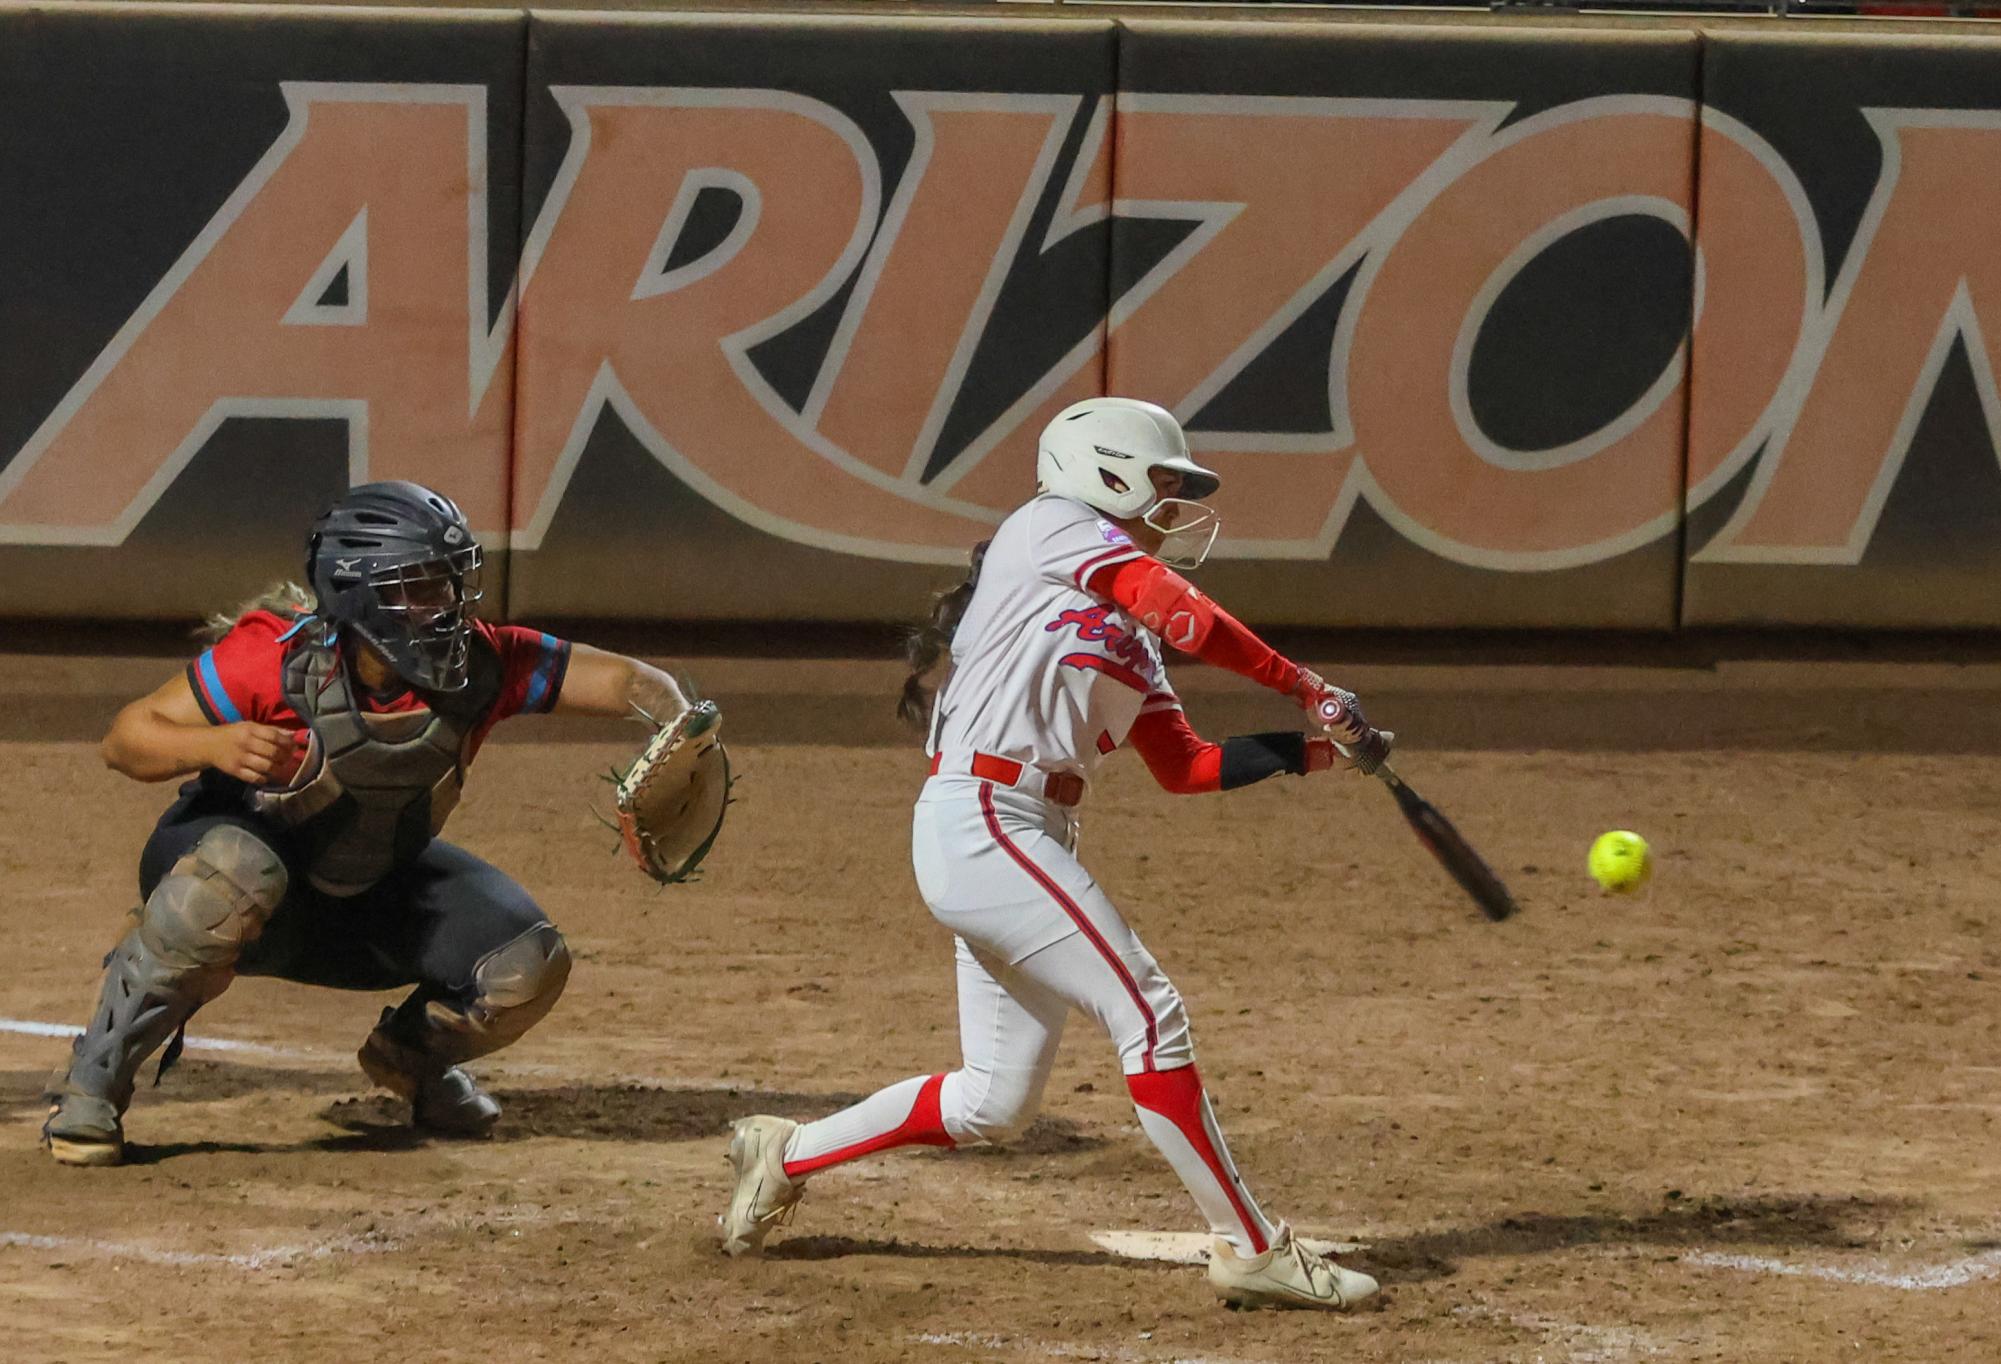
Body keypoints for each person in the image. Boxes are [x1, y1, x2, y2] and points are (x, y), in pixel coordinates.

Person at [718, 397, 1392, 1311]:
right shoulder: (1049, 527)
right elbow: (1182, 612)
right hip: (985, 818)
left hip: (1024, 833)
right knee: (1149, 1014)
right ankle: (1250, 1247)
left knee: (993, 1102)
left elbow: (1185, 766)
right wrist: (1306, 685)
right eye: (1161, 483)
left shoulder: (1129, 633)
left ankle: (787, 1153)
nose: (1172, 507)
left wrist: (1322, 753)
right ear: (1102, 472)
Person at [42, 481, 695, 1166]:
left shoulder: (482, 662)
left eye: (449, 583)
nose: (445, 605)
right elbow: (125, 740)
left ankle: (411, 1058)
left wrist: (683, 722)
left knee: (526, 962)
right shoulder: (277, 657)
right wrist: (212, 745)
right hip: (240, 879)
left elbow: (625, 681)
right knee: (232, 876)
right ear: (357, 595)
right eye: (418, 587)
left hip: (368, 891)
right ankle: (94, 1083)